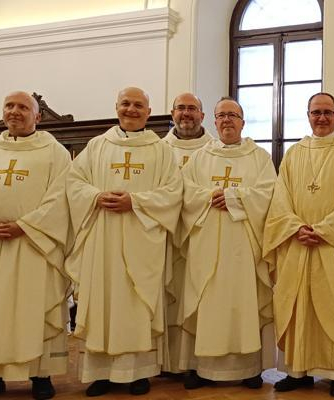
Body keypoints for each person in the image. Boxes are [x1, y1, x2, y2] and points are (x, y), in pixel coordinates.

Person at [65, 87, 183, 397]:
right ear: (116, 107)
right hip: (101, 238)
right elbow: (74, 183)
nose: (131, 109)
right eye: (126, 104)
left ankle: (138, 372)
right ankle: (101, 373)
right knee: (103, 301)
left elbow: (173, 193)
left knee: (137, 303)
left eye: (138, 105)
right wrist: (96, 196)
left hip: (143, 240)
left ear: (148, 111)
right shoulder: (97, 146)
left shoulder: (161, 150)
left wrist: (136, 202)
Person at [0, 91, 72, 400]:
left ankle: (40, 375)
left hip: (34, 246)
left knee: (34, 310)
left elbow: (60, 199)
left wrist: (24, 225)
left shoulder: (55, 152)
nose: (15, 111)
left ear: (37, 117)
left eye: (23, 107)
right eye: (9, 106)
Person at [263, 92, 334, 398]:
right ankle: (298, 371)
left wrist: (324, 230)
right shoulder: (294, 154)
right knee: (299, 307)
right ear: (308, 115)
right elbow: (280, 198)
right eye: (316, 112)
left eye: (327, 112)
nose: (321, 117)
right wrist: (295, 228)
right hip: (298, 245)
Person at [176, 97, 275, 389]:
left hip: (244, 246)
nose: (227, 120)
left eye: (233, 115)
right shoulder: (200, 157)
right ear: (214, 121)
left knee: (244, 300)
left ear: (243, 122)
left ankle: (249, 368)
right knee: (206, 299)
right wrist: (210, 196)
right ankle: (200, 366)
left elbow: (269, 192)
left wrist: (233, 196)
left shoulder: (259, 156)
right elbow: (185, 191)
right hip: (206, 243)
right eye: (221, 116)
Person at [159, 92, 214, 375]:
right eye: (181, 108)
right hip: (165, 235)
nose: (186, 114)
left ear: (203, 116)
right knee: (170, 293)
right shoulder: (157, 149)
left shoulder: (216, 150)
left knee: (198, 296)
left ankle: (193, 360)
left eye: (192, 109)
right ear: (172, 113)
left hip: (201, 235)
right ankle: (166, 361)